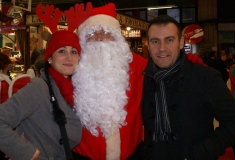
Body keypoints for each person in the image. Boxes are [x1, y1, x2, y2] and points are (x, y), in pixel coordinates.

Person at [71, 3, 205, 160]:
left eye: (106, 32)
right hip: (82, 156)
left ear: (116, 37)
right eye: (92, 33)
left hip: (132, 154)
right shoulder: (72, 68)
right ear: (82, 39)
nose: (99, 38)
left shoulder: (136, 64)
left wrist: (186, 61)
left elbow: (165, 64)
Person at [141, 14, 235, 160]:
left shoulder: (205, 77)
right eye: (155, 41)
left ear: (181, 42)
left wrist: (199, 152)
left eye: (169, 40)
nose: (162, 48)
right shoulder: (144, 79)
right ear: (148, 45)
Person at [0, 2, 91, 159]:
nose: (69, 57)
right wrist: (27, 152)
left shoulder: (75, 91)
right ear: (49, 58)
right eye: (61, 51)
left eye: (74, 51)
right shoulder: (39, 88)